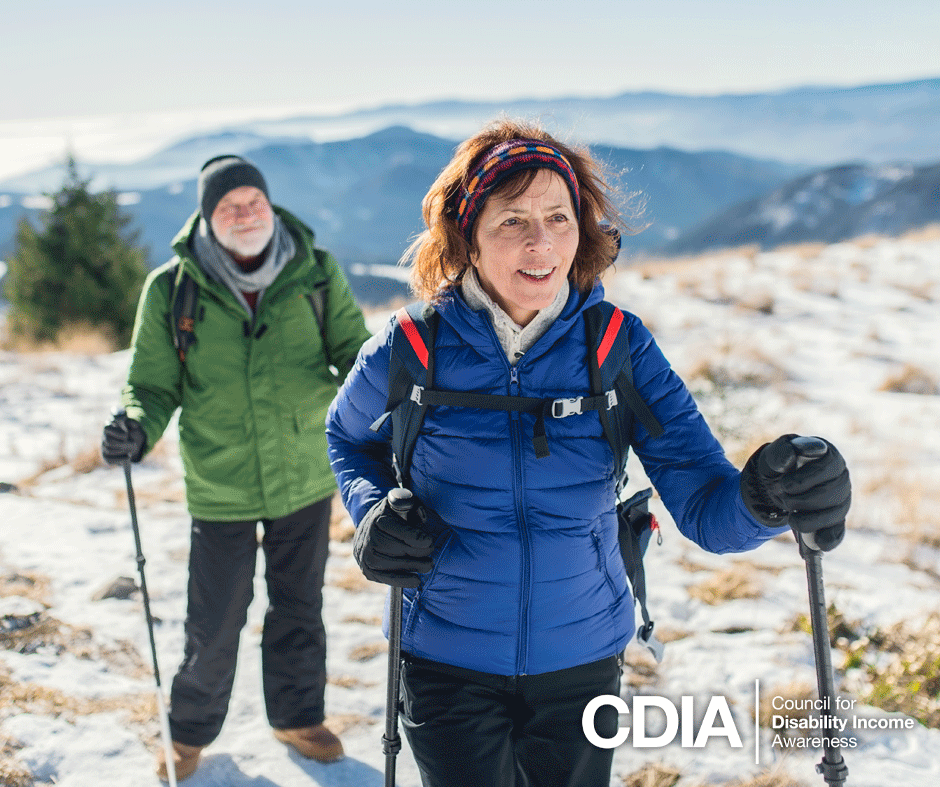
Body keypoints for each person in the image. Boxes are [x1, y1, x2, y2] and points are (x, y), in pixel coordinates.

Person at [324, 121, 851, 787]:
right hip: (444, 658)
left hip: (581, 659)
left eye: (558, 217)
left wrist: (767, 498)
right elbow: (346, 437)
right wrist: (371, 513)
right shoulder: (410, 346)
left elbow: (706, 505)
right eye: (512, 220)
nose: (541, 242)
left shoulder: (618, 349)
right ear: (467, 234)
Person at [102, 155, 372, 782]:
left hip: (303, 471)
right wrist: (136, 426)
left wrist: (390, 384)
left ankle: (297, 717)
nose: (245, 214)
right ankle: (189, 732)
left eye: (253, 201)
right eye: (229, 205)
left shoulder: (316, 273)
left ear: (270, 205)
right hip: (220, 481)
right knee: (214, 620)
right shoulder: (173, 290)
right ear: (207, 215)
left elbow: (352, 354)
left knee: (300, 606)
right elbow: (150, 383)